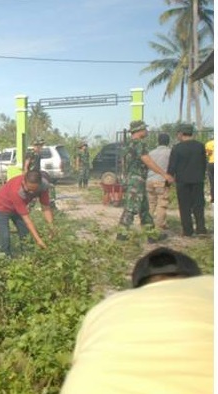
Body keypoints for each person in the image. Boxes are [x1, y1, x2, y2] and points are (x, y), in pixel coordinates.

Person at [61, 247, 212, 394]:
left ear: (138, 285)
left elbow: (78, 362)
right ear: (195, 278)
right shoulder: (209, 286)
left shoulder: (107, 306)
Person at [116, 120, 173, 242]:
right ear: (139, 130)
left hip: (133, 179)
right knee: (131, 208)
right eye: (145, 129)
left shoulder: (127, 145)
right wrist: (164, 174)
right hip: (137, 180)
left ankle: (151, 235)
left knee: (144, 210)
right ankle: (121, 236)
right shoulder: (139, 144)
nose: (146, 131)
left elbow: (123, 164)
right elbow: (147, 160)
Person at [0, 170, 54, 257]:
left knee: (25, 233)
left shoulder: (43, 186)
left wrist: (51, 228)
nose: (31, 193)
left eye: (34, 190)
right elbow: (27, 219)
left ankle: (28, 256)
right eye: (29, 189)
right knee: (5, 236)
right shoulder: (16, 190)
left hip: (17, 208)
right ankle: (4, 259)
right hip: (0, 207)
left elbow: (46, 208)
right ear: (24, 182)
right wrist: (38, 240)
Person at [167, 123, 207, 237]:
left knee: (184, 206)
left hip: (182, 181)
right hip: (198, 180)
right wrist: (201, 175)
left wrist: (168, 180)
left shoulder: (177, 148)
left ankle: (188, 231)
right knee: (198, 205)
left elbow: (172, 166)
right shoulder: (200, 146)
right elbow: (204, 163)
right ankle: (201, 229)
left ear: (181, 134)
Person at [145, 133, 172, 230]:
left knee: (151, 203)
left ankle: (147, 225)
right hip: (161, 181)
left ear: (158, 141)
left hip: (149, 181)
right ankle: (159, 226)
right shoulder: (170, 152)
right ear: (168, 142)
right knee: (162, 204)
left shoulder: (151, 152)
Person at [204, 138, 213, 203]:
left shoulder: (209, 143)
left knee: (212, 181)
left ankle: (213, 197)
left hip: (212, 163)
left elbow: (208, 153)